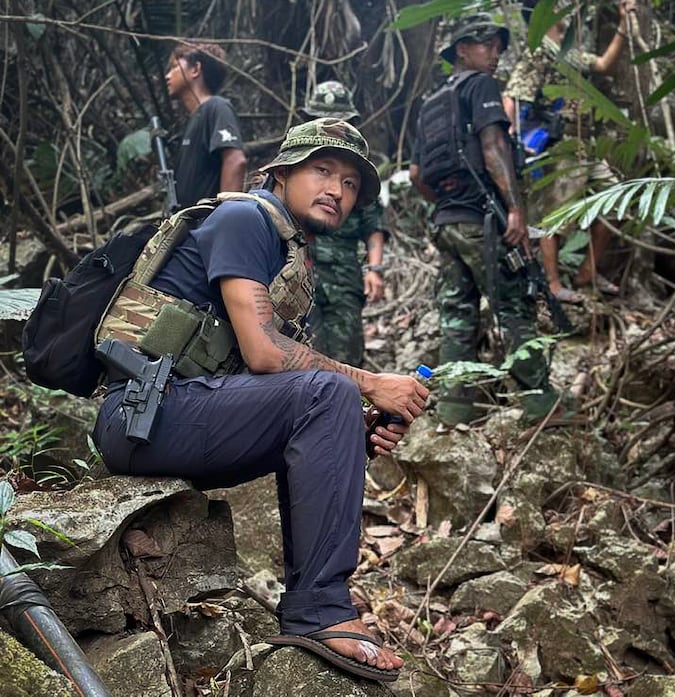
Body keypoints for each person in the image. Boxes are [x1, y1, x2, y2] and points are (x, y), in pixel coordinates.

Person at [91, 118, 428, 682]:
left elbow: (286, 394)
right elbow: (266, 355)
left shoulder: (288, 253)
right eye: (322, 170)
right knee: (331, 392)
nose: (336, 190)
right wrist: (369, 384)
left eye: (349, 183)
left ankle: (314, 606)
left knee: (333, 402)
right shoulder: (245, 218)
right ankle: (320, 610)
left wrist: (356, 426)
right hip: (140, 415)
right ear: (281, 173)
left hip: (181, 414)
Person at [410, 13, 554, 426]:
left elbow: (418, 175)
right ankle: (542, 404)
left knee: (457, 316)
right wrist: (515, 208)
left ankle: (455, 410)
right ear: (462, 49)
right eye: (487, 45)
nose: (495, 55)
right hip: (483, 221)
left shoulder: (431, 103)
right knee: (513, 308)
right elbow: (493, 147)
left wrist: (446, 204)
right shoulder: (482, 86)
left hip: (447, 222)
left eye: (498, 47)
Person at [503, 0, 638, 303]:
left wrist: (623, 25)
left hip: (587, 145)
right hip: (562, 144)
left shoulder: (569, 52)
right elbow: (513, 94)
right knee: (556, 215)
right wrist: (510, 137)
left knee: (616, 202)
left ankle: (586, 272)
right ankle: (552, 283)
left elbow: (604, 66)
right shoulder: (539, 50)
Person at [299, 81, 389, 366]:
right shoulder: (299, 168)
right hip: (299, 273)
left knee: (347, 359)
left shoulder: (356, 173)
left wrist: (374, 269)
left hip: (343, 277)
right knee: (302, 354)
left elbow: (373, 226)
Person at [165, 42, 248, 207]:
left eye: (174, 67)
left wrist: (225, 216)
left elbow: (235, 161)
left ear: (195, 69)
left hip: (209, 227)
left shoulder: (217, 107)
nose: (167, 76)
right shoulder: (192, 120)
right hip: (191, 228)